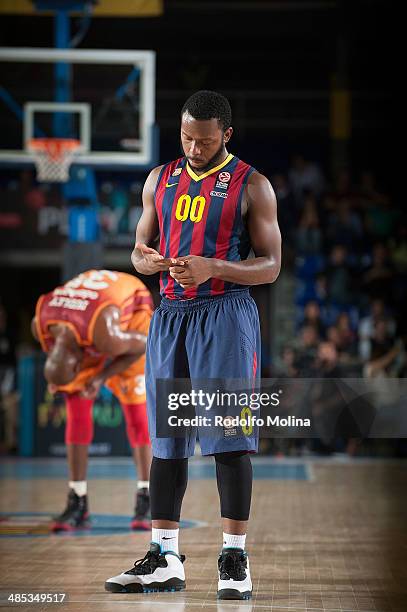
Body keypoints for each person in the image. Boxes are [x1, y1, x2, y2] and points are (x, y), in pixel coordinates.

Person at [105, 90, 281, 599]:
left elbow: (271, 265)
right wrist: (148, 261)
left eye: (204, 141)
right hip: (170, 315)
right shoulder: (159, 178)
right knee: (168, 440)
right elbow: (139, 249)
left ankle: (235, 560)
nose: (194, 148)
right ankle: (164, 557)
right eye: (186, 137)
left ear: (226, 135)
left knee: (229, 437)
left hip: (225, 313)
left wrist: (215, 266)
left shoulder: (254, 186)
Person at [31, 269, 153, 531]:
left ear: (79, 362)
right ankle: (78, 501)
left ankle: (147, 496)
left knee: (137, 414)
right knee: (76, 407)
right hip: (88, 316)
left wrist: (101, 377)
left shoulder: (107, 336)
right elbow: (58, 364)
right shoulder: (40, 321)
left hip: (131, 314)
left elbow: (147, 343)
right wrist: (59, 379)